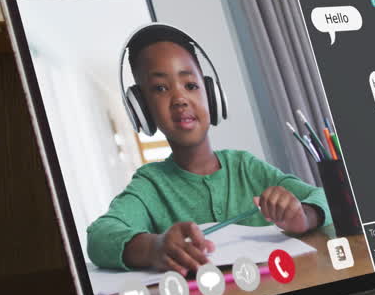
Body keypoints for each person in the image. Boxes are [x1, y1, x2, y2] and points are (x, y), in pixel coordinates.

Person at [87, 24, 329, 273]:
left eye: (190, 85)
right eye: (160, 88)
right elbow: (100, 237)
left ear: (211, 95)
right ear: (142, 109)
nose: (180, 99)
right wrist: (154, 247)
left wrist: (304, 216)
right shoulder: (150, 186)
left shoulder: (245, 167)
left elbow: (325, 198)